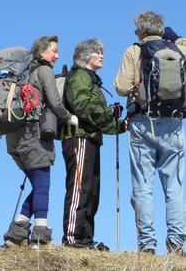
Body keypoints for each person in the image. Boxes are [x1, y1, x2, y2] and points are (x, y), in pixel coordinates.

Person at [114, 11, 186, 256]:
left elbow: (120, 86)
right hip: (173, 125)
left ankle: (147, 245)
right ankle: (176, 244)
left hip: (143, 123)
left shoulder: (134, 51)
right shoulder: (177, 50)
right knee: (175, 187)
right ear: (161, 29)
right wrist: (171, 36)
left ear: (140, 31)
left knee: (143, 187)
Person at [4, 35, 78, 247]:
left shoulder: (22, 73)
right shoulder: (44, 70)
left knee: (37, 186)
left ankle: (16, 234)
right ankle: (40, 237)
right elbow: (54, 101)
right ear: (42, 51)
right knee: (43, 186)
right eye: (54, 50)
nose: (57, 55)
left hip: (13, 137)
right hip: (33, 135)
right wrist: (68, 117)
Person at [61, 38, 124, 250]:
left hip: (90, 138)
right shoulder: (79, 76)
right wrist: (109, 112)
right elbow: (83, 108)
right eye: (98, 51)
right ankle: (72, 238)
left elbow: (97, 120)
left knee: (90, 191)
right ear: (86, 55)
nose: (102, 55)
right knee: (80, 188)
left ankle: (85, 238)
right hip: (78, 138)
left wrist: (121, 125)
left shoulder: (92, 80)